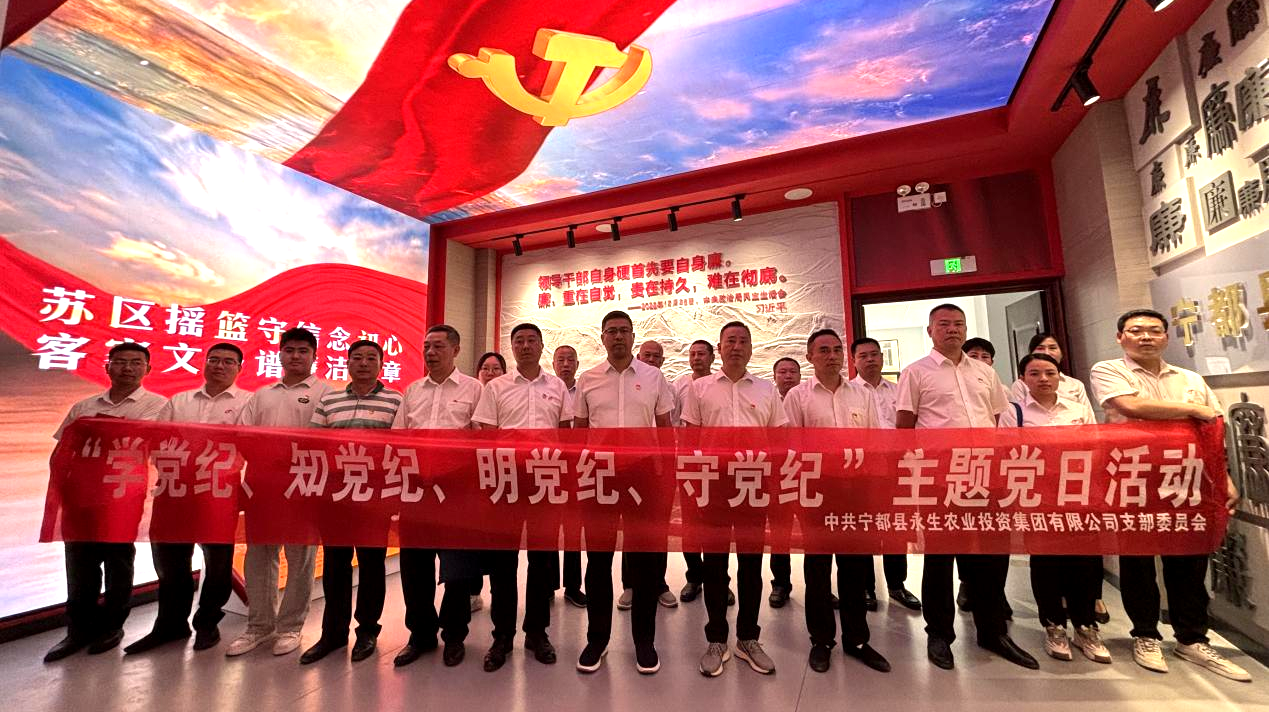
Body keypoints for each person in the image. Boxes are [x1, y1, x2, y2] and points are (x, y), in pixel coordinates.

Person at [1089, 309, 1250, 682]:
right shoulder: (1108, 370)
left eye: (1154, 331)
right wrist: (1192, 409)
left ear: (1166, 336)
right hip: (1133, 477)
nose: (1145, 337)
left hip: (1186, 479)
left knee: (1189, 562)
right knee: (1138, 562)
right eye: (1136, 330)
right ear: (1120, 337)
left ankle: (1192, 639)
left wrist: (1223, 477)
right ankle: (1145, 635)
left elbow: (1212, 431)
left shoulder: (1190, 378)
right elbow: (1131, 406)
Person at [895, 305, 1037, 671]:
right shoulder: (915, 372)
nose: (952, 330)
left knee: (990, 556)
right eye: (943, 324)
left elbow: (994, 418)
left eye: (958, 324)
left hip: (984, 475)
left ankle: (992, 631)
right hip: (941, 479)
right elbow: (905, 427)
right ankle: (939, 634)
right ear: (930, 331)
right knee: (939, 559)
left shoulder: (985, 372)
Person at [44, 343, 168, 663]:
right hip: (81, 494)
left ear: (148, 369)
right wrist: (61, 489)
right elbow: (64, 449)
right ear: (107, 366)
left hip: (122, 494)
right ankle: (78, 629)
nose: (127, 368)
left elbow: (134, 436)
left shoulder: (158, 405)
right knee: (79, 563)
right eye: (120, 361)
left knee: (117, 560)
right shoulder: (83, 406)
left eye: (136, 363)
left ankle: (113, 625)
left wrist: (97, 428)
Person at [123, 343, 248, 656]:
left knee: (217, 563)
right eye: (214, 360)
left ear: (239, 368)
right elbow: (158, 442)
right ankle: (170, 625)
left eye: (228, 362)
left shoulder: (248, 403)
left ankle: (207, 623)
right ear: (204, 364)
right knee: (170, 561)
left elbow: (250, 446)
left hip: (218, 492)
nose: (219, 366)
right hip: (175, 490)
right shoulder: (180, 400)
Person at [682, 321, 787, 677]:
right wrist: (694, 485)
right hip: (713, 484)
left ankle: (747, 638)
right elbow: (691, 440)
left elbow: (778, 440)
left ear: (751, 348)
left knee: (751, 565)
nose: (737, 346)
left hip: (753, 484)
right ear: (720, 348)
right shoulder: (699, 389)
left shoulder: (767, 389)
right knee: (714, 565)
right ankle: (716, 638)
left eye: (743, 341)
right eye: (730, 341)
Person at [573, 310, 674, 674]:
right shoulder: (587, 379)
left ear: (633, 337)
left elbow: (665, 429)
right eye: (611, 331)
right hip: (599, 476)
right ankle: (597, 639)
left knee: (644, 562)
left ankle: (644, 641)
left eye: (623, 331)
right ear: (602, 338)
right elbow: (579, 432)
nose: (617, 337)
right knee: (598, 561)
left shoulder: (653, 376)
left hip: (642, 477)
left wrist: (665, 478)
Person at [785, 329, 890, 674]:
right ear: (810, 357)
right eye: (823, 350)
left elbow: (874, 442)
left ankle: (857, 639)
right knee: (817, 569)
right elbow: (791, 449)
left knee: (855, 568)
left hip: (856, 492)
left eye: (836, 350)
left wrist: (875, 489)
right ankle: (821, 640)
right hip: (816, 492)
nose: (832, 356)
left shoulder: (862, 394)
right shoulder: (798, 397)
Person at [227, 328, 334, 658]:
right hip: (263, 485)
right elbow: (243, 436)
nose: (295, 356)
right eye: (289, 350)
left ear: (314, 356)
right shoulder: (262, 394)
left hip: (305, 486)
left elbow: (330, 442)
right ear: (280, 354)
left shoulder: (326, 393)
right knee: (260, 556)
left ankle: (290, 627)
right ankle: (259, 626)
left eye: (303, 351)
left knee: (300, 558)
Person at [472, 323, 572, 672]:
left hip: (545, 481)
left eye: (531, 340)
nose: (525, 346)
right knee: (503, 563)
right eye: (519, 341)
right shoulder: (496, 387)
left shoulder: (557, 387)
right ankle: (502, 635)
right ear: (512, 348)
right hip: (506, 482)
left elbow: (566, 435)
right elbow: (487, 435)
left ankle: (537, 632)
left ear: (542, 345)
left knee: (543, 561)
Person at [300, 340, 403, 665]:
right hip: (335, 497)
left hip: (374, 498)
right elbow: (314, 443)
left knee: (371, 565)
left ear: (381, 364)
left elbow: (401, 449)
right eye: (357, 357)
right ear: (347, 362)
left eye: (371, 358)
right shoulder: (330, 400)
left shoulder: (395, 400)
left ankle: (367, 631)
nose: (363, 363)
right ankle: (332, 634)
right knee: (335, 566)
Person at [390, 324, 483, 668]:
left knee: (457, 568)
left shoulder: (474, 389)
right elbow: (399, 438)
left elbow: (481, 441)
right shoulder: (412, 391)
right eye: (427, 346)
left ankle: (454, 635)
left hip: (457, 492)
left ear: (456, 350)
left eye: (438, 346)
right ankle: (421, 634)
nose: (430, 352)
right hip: (416, 490)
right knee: (415, 567)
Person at [1012, 353, 1111, 665]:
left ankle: (1086, 627)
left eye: (1049, 373)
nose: (1043, 379)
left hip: (1079, 496)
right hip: (1038, 497)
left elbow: (1095, 446)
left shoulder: (1078, 409)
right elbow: (1008, 453)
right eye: (1034, 373)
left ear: (1059, 376)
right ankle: (1053, 625)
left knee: (1084, 561)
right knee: (1046, 562)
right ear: (1023, 379)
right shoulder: (1013, 412)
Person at [849, 337, 921, 612]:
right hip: (862, 470)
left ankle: (897, 584)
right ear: (854, 361)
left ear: (882, 358)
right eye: (863, 355)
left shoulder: (899, 390)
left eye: (874, 354)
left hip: (896, 468)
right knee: (865, 528)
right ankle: (866, 587)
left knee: (896, 527)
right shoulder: (848, 392)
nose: (870, 360)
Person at [614, 340, 679, 612]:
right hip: (630, 465)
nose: (652, 360)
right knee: (632, 529)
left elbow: (671, 427)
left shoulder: (669, 388)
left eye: (656, 356)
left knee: (657, 528)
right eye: (647, 355)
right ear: (638, 357)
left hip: (658, 467)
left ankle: (658, 584)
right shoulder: (624, 385)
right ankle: (630, 584)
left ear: (662, 361)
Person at [674, 340, 734, 607]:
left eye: (701, 354)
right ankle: (694, 577)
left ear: (712, 357)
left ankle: (720, 582)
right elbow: (675, 424)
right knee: (691, 524)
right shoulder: (678, 386)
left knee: (718, 528)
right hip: (689, 463)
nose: (696, 358)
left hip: (719, 468)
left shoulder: (720, 386)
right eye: (692, 354)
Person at [469, 351, 507, 612]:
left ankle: (498, 592)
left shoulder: (504, 396)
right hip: (471, 479)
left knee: (496, 540)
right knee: (473, 539)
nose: (490, 373)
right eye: (486, 368)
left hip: (499, 476)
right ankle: (473, 591)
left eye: (496, 369)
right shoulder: (470, 395)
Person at [552, 344, 586, 609]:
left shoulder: (584, 389)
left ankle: (573, 587)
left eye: (570, 360)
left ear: (577, 364)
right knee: (549, 529)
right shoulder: (548, 389)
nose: (565, 364)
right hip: (550, 467)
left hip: (579, 468)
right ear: (553, 364)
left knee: (574, 529)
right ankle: (547, 584)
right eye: (560, 360)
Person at [767, 356, 802, 608]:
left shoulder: (807, 398)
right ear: (775, 376)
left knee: (815, 536)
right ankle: (780, 583)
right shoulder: (768, 400)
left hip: (809, 474)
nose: (788, 376)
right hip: (778, 476)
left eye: (792, 371)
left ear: (800, 375)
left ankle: (821, 587)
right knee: (780, 532)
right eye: (782, 372)